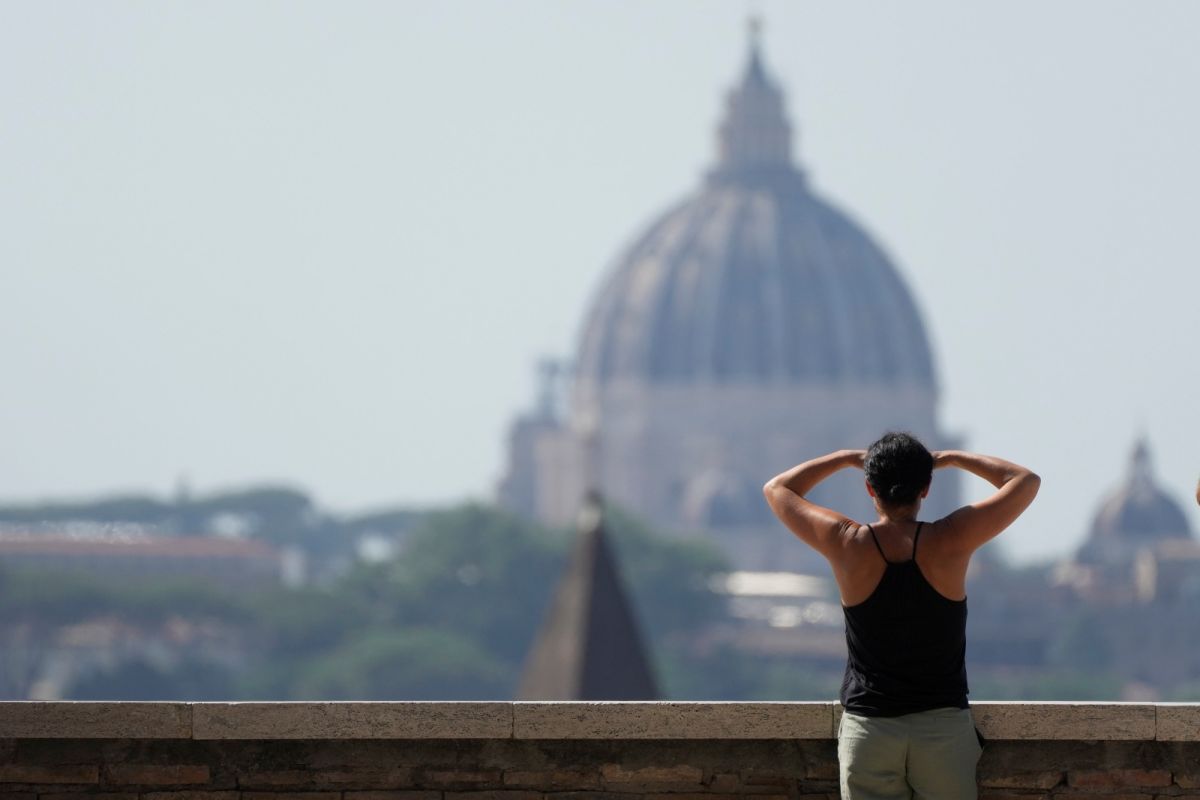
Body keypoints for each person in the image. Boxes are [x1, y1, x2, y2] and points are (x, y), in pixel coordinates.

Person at [763, 432, 1040, 800]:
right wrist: (951, 457)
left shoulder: (848, 543)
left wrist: (844, 456)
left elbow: (778, 489)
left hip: (871, 728)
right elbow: (1024, 482)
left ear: (868, 489)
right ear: (925, 489)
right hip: (941, 726)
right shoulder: (951, 538)